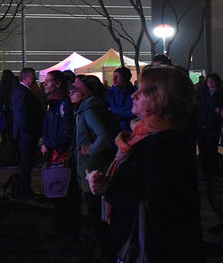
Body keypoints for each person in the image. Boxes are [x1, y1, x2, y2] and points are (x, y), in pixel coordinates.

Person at [86, 66, 204, 262]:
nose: (134, 95)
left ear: (161, 99)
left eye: (142, 91)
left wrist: (109, 188)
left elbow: (160, 204)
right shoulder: (142, 137)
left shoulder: (165, 144)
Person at [71, 74, 115, 260]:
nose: (71, 93)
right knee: (97, 210)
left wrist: (90, 150)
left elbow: (103, 135)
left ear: (85, 92)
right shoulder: (91, 107)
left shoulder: (88, 110)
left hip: (92, 169)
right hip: (94, 166)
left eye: (75, 90)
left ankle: (100, 250)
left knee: (94, 210)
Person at [40, 70, 79, 241]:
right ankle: (61, 229)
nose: (45, 84)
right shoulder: (53, 104)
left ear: (58, 84)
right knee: (59, 193)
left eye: (49, 81)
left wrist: (49, 143)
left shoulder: (64, 105)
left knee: (66, 194)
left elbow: (67, 132)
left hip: (62, 155)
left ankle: (68, 233)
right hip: (54, 153)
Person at [12, 67, 44, 198]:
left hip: (26, 134)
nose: (35, 79)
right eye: (33, 76)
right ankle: (23, 190)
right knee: (25, 164)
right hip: (26, 135)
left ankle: (23, 190)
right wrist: (28, 132)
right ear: (27, 78)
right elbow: (22, 115)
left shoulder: (22, 91)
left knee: (26, 163)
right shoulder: (23, 92)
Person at [197, 72, 223, 182]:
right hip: (202, 123)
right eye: (209, 81)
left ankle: (213, 173)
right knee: (203, 149)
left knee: (212, 149)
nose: (210, 83)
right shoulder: (202, 93)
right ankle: (205, 172)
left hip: (214, 124)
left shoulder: (222, 93)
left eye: (212, 81)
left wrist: (219, 110)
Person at [106, 66, 135, 131]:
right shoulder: (109, 93)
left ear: (125, 78)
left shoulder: (133, 94)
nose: (114, 79)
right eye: (113, 76)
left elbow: (130, 112)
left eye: (117, 76)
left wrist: (112, 109)